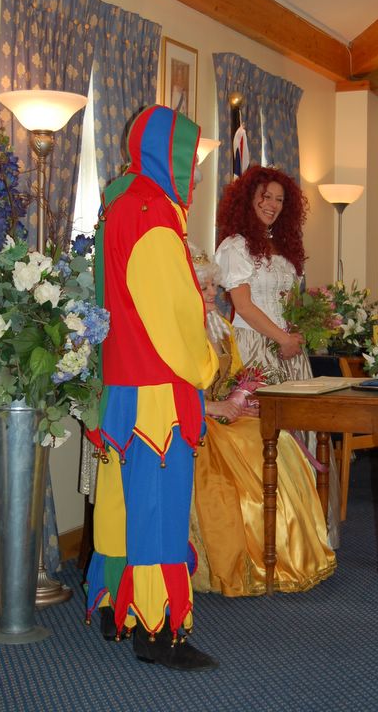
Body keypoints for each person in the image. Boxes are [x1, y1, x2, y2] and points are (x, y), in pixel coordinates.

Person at [84, 105, 219, 671]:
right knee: (159, 511)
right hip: (156, 391)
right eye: (191, 162)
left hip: (120, 384)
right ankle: (159, 632)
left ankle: (118, 611)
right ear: (171, 158)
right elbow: (174, 315)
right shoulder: (153, 215)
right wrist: (208, 365)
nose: (196, 176)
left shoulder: (118, 203)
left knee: (122, 507)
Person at [188, 245, 336, 596]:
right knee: (251, 449)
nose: (212, 293)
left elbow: (234, 378)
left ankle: (288, 551)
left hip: (226, 415)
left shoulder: (221, 328)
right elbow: (173, 389)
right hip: (196, 421)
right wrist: (214, 408)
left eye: (213, 286)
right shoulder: (179, 331)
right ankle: (257, 557)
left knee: (278, 438)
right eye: (203, 286)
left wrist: (243, 400)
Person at [214, 165, 340, 548]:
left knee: (303, 433)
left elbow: (286, 303)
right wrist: (283, 337)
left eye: (279, 200)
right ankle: (271, 539)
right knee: (268, 440)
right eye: (265, 197)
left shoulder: (282, 248)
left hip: (288, 351)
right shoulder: (235, 246)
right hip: (254, 349)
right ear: (248, 199)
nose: (272, 204)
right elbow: (243, 306)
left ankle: (306, 534)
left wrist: (308, 323)